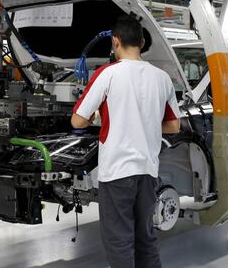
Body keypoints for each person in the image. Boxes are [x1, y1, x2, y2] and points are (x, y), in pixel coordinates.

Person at [71, 15, 181, 268]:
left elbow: (77, 121)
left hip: (117, 172)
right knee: (146, 238)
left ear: (115, 41)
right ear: (142, 42)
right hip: (147, 171)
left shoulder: (107, 74)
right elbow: (174, 125)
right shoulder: (162, 77)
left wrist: (97, 118)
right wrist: (147, 123)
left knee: (119, 240)